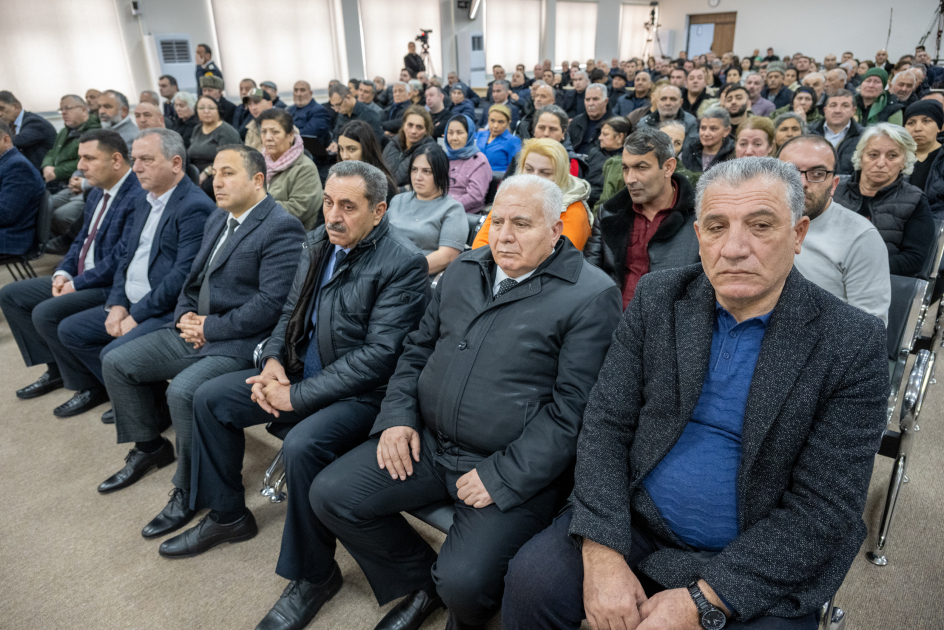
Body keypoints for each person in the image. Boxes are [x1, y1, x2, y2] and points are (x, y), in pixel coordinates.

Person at [503, 156, 890, 630]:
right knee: (530, 584)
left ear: (798, 234)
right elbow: (606, 424)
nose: (734, 248)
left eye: (761, 226)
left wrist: (703, 599)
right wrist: (601, 553)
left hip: (756, 548)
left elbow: (823, 509)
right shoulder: (658, 297)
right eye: (716, 227)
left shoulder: (851, 341)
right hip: (637, 518)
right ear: (699, 236)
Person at [309, 172, 621, 630]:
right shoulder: (466, 268)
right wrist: (397, 417)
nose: (505, 236)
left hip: (506, 463)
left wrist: (502, 475)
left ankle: (453, 599)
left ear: (556, 230)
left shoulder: (590, 296)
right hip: (430, 443)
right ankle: (420, 582)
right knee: (331, 495)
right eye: (497, 221)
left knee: (464, 582)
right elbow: (415, 350)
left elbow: (574, 412)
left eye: (522, 224)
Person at [159, 161, 429, 630]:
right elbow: (289, 313)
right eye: (328, 202)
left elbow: (379, 359)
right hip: (300, 375)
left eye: (348, 206)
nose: (333, 215)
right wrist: (274, 364)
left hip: (365, 395)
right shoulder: (316, 242)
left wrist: (295, 396)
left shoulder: (402, 263)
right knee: (209, 397)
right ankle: (227, 515)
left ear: (379, 210)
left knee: (304, 445)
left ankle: (315, 576)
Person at [96, 144, 306, 542]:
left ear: (258, 180)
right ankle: (149, 446)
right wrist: (185, 317)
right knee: (119, 362)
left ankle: (188, 490)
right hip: (196, 330)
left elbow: (270, 306)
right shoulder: (218, 218)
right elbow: (191, 281)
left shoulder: (281, 226)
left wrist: (210, 328)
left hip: (240, 342)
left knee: (188, 393)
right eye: (214, 172)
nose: (215, 181)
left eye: (228, 173)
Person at [55, 129, 215, 418]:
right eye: (135, 159)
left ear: (176, 164)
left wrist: (136, 315)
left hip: (163, 310)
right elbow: (126, 259)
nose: (137, 167)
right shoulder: (145, 198)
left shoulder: (193, 207)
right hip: (131, 301)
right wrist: (116, 305)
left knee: (112, 354)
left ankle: (147, 425)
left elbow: (181, 278)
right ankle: (147, 399)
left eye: (146, 160)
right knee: (71, 330)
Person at [0, 130, 144, 410]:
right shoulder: (96, 193)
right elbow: (79, 240)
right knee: (12, 295)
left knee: (45, 312)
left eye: (89, 158)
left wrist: (76, 285)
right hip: (79, 275)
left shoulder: (137, 195)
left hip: (109, 284)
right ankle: (56, 367)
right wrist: (62, 274)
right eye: (80, 158)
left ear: (116, 160)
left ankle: (90, 385)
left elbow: (120, 258)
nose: (80, 166)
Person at [584, 127, 700, 308]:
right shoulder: (608, 213)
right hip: (611, 321)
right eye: (626, 168)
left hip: (671, 327)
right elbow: (589, 275)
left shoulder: (701, 218)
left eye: (641, 167)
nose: (630, 179)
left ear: (668, 167)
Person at [779, 135, 890, 323]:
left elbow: (869, 328)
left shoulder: (861, 237)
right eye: (790, 172)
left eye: (817, 173)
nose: (802, 183)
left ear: (834, 185)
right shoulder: (753, 224)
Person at [834, 123, 934, 277]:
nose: (881, 163)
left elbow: (914, 259)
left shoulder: (915, 200)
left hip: (881, 283)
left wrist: (861, 269)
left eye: (892, 156)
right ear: (860, 157)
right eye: (873, 155)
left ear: (904, 161)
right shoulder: (834, 189)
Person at [473, 139, 592, 251]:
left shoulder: (574, 210)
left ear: (561, 175)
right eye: (529, 169)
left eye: (545, 172)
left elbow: (559, 257)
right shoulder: (509, 197)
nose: (534, 177)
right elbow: (480, 246)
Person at [387, 144, 468, 275]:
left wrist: (402, 271)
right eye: (414, 169)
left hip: (418, 278)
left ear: (440, 173)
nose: (418, 177)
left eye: (426, 171)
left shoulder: (452, 209)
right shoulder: (398, 200)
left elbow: (447, 257)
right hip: (384, 270)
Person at [260, 108, 323, 230]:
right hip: (262, 226)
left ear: (290, 136)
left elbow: (298, 210)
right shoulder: (259, 162)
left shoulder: (305, 168)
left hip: (290, 233)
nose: (268, 137)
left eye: (275, 132)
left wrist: (256, 205)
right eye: (263, 132)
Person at [0, 120, 46, 256]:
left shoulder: (18, 166)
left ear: (5, 140)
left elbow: (5, 214)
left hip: (11, 237)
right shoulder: (6, 163)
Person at [41, 95, 101, 192]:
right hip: (56, 180)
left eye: (68, 108)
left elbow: (85, 161)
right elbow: (52, 152)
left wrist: (56, 171)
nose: (64, 113)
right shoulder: (64, 131)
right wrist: (46, 167)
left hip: (74, 181)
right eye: (61, 109)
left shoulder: (94, 132)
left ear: (84, 110)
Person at [337, 120, 398, 205]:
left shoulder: (383, 184)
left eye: (352, 149)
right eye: (341, 149)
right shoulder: (338, 178)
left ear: (367, 149)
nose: (344, 156)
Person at [188, 95, 242, 187]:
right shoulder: (197, 129)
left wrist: (206, 172)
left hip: (218, 173)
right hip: (196, 172)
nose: (206, 111)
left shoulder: (226, 131)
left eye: (211, 108)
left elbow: (228, 159)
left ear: (218, 110)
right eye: (201, 108)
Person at [445, 114, 491, 214]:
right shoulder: (443, 158)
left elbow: (474, 197)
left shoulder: (479, 160)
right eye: (450, 133)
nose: (454, 138)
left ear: (469, 134)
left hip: (464, 215)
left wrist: (444, 207)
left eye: (459, 133)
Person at [904, 101, 944, 215]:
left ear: (939, 127)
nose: (917, 128)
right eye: (911, 123)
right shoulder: (896, 158)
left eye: (926, 121)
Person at [810, 90, 863, 175]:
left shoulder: (863, 137)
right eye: (833, 105)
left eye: (845, 106)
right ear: (825, 110)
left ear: (853, 111)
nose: (838, 110)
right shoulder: (809, 133)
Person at [0, 91, 56, 171]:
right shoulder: (10, 125)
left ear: (16, 106)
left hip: (41, 176)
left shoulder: (35, 122)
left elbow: (16, 141)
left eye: (2, 109)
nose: (0, 114)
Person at [383, 105, 436, 188]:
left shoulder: (430, 152)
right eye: (410, 125)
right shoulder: (392, 144)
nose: (413, 131)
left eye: (419, 127)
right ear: (404, 126)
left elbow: (426, 186)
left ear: (426, 131)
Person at [586, 117, 631, 207]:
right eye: (600, 134)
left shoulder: (628, 160)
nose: (600, 138)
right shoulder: (594, 152)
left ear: (620, 137)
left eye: (605, 134)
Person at [681, 107, 736, 173]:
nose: (706, 134)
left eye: (713, 128)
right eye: (703, 128)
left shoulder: (734, 153)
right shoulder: (689, 150)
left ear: (726, 131)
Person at [475, 104, 521, 173]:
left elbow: (514, 170)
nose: (495, 126)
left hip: (497, 180)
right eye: (492, 121)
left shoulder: (513, 141)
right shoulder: (480, 135)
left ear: (508, 123)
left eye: (501, 122)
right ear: (488, 120)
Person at [569, 85, 612, 154]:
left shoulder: (615, 125)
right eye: (587, 100)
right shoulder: (575, 122)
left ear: (606, 101)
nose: (590, 103)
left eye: (595, 99)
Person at [288, 81, 332, 146]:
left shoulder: (319, 111)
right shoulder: (289, 110)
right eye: (296, 90)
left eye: (302, 90)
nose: (298, 94)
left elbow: (309, 134)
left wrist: (287, 136)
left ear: (310, 93)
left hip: (310, 150)